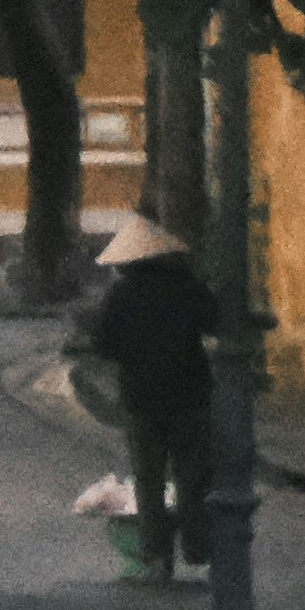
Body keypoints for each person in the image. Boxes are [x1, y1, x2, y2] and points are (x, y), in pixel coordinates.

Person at [73, 209, 213, 582]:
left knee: (149, 479)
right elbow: (214, 320)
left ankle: (157, 558)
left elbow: (103, 344)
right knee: (191, 474)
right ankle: (198, 548)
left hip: (141, 397)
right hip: (190, 392)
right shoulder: (186, 286)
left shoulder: (122, 294)